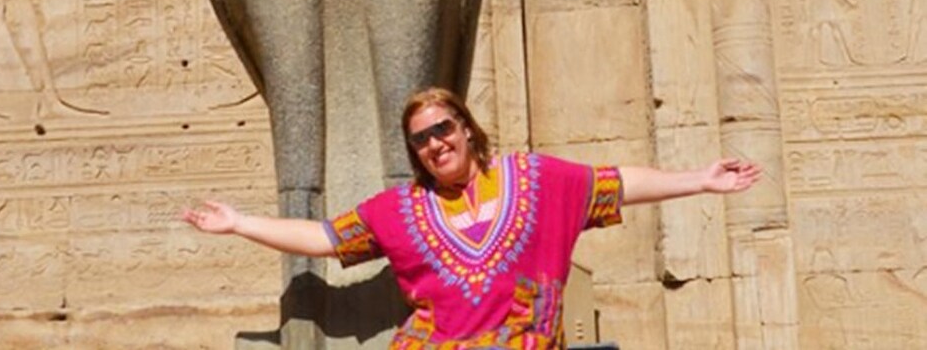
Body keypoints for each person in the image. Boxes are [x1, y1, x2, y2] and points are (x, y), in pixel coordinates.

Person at [182, 87, 761, 348]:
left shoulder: (535, 182)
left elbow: (615, 184)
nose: (435, 144)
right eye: (421, 141)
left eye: (442, 129)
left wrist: (699, 181)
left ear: (465, 128)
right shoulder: (401, 211)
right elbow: (326, 239)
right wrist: (239, 222)